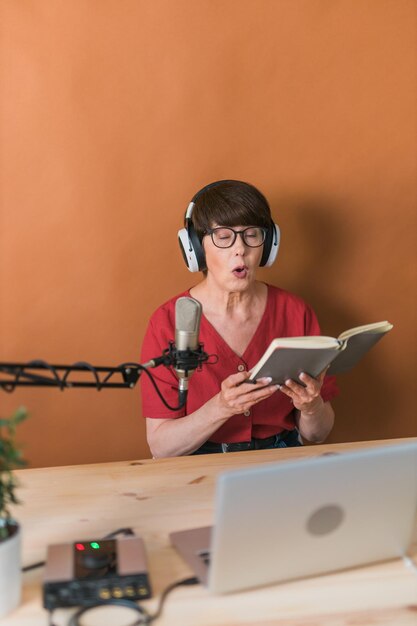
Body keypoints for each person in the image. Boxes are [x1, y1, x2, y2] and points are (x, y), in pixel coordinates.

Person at [140, 180, 338, 457]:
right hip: (199, 463)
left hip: (281, 456)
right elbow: (161, 448)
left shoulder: (296, 312)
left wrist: (311, 406)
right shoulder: (166, 321)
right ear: (196, 248)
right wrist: (220, 407)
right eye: (223, 236)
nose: (240, 249)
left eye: (252, 235)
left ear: (267, 245)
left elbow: (317, 433)